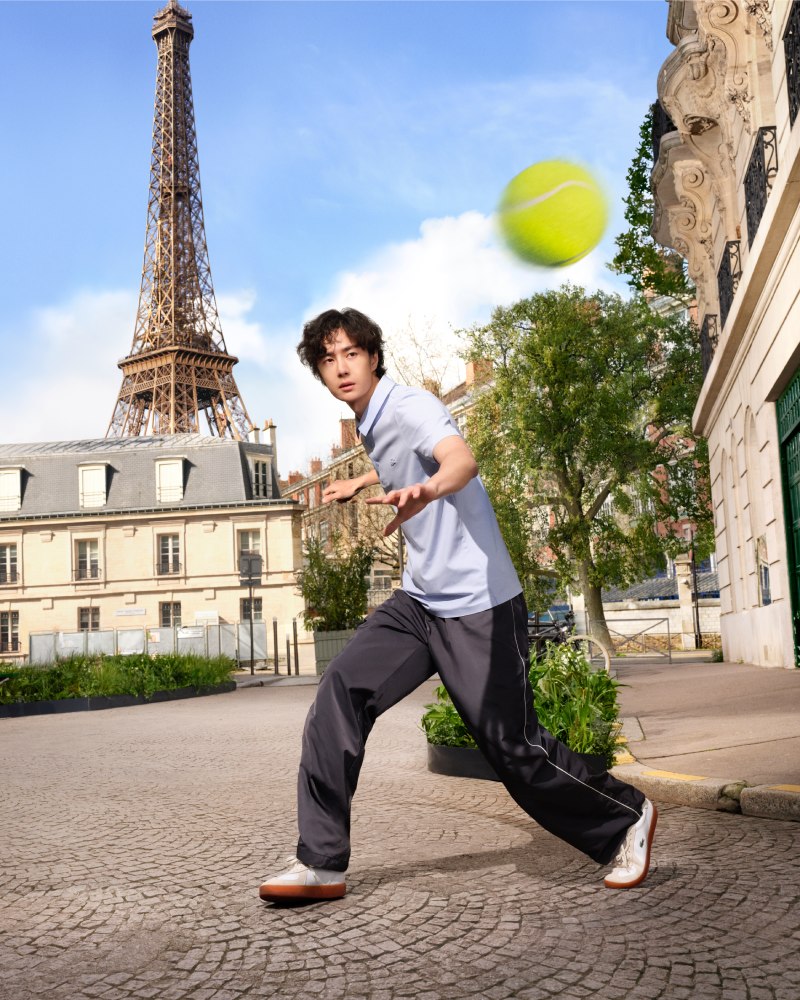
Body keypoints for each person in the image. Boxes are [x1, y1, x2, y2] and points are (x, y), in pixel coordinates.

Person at [259, 308, 657, 903]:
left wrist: (428, 488)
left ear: (372, 356)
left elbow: (459, 459)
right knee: (339, 691)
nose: (341, 368)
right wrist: (363, 483)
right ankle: (320, 861)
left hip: (478, 601)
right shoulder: (372, 417)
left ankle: (626, 815)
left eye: (350, 354)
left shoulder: (412, 404)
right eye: (328, 359)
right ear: (319, 371)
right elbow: (400, 454)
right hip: (420, 600)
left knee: (509, 744)